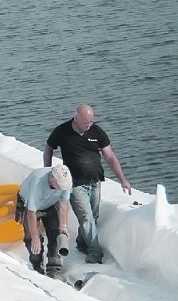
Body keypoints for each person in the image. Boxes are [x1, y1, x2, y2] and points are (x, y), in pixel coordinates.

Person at [44, 104, 131, 264]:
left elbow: (110, 156)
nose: (89, 125)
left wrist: (122, 179)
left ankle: (82, 242)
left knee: (94, 216)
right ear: (76, 118)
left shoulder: (97, 131)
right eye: (86, 122)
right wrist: (48, 171)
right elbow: (48, 148)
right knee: (86, 217)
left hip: (95, 181)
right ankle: (95, 252)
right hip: (75, 184)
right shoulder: (62, 131)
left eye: (91, 122)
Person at [16, 165, 72, 281]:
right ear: (51, 178)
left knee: (56, 234)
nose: (61, 188)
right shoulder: (38, 184)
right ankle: (36, 266)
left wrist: (63, 225)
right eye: (59, 185)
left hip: (50, 203)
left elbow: (64, 204)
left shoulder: (65, 181)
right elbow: (31, 213)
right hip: (30, 206)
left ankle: (53, 269)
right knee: (32, 239)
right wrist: (35, 237)